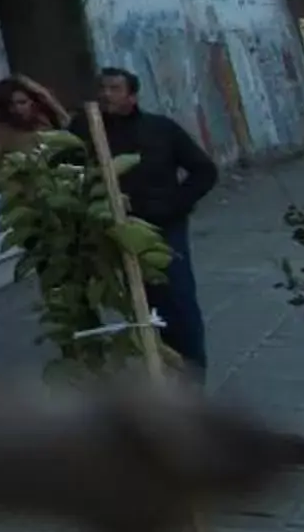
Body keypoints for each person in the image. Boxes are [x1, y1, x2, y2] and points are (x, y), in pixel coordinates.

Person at [71, 67, 219, 371]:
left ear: (133, 95)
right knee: (126, 303)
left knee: (176, 299)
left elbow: (204, 171)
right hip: (107, 228)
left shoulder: (160, 129)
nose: (105, 95)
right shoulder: (84, 129)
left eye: (114, 88)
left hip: (162, 230)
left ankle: (191, 369)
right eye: (102, 88)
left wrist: (174, 206)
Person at [0, 74, 68, 190]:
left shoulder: (46, 121)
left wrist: (43, 94)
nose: (17, 109)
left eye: (22, 102)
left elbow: (67, 124)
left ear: (33, 102)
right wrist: (19, 190)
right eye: (11, 105)